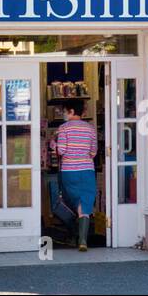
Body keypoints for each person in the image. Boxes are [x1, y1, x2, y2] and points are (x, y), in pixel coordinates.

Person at [54, 100, 98, 251]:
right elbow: (93, 152)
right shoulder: (91, 129)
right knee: (84, 204)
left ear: (72, 111)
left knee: (70, 200)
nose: (64, 114)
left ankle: (74, 235)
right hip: (87, 170)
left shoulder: (63, 129)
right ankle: (83, 240)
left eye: (65, 111)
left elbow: (61, 151)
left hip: (69, 171)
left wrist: (54, 144)